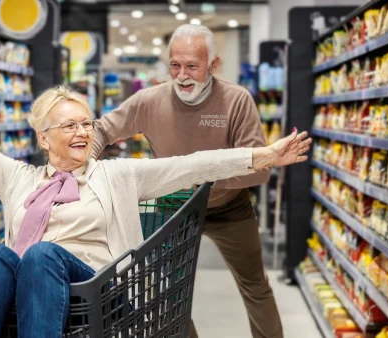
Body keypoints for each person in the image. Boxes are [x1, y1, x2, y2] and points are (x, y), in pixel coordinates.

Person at [0, 43, 310, 338]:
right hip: (32, 298)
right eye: (69, 126)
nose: (83, 132)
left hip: (101, 299)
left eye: (86, 123)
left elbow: (191, 166)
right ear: (44, 138)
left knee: (43, 253)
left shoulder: (116, 175)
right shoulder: (17, 178)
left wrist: (262, 156)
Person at [91, 24, 283, 338]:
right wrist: (84, 168)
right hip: (172, 208)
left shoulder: (236, 101)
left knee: (255, 285)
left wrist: (204, 176)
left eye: (193, 66)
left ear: (213, 65)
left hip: (229, 208)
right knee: (167, 294)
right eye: (175, 66)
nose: (182, 75)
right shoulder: (148, 101)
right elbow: (101, 130)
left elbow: (260, 168)